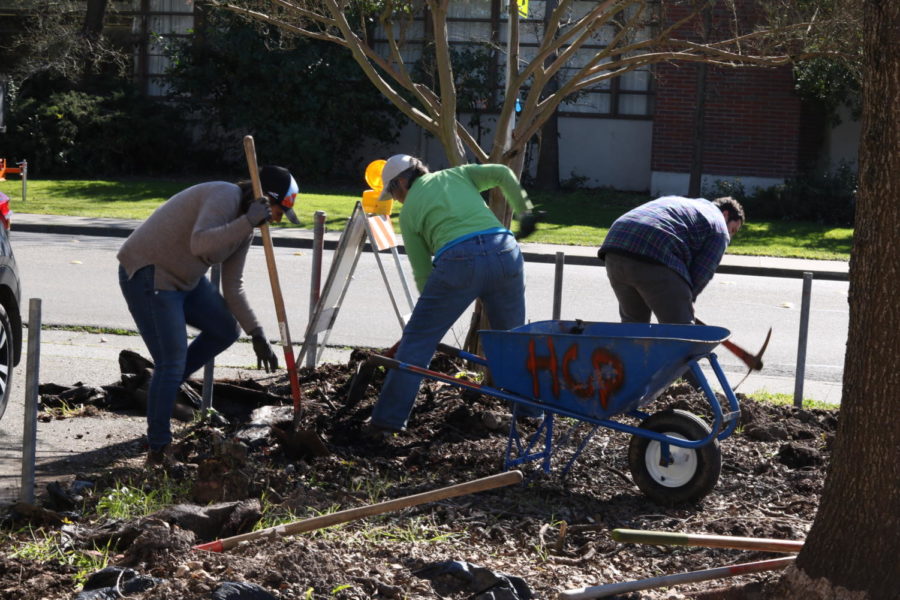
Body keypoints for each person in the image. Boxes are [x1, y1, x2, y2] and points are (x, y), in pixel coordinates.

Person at [117, 165, 301, 466]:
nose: (277, 220)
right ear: (265, 200)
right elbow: (200, 242)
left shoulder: (245, 229)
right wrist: (247, 221)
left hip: (185, 281)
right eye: (278, 211)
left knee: (225, 329)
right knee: (171, 360)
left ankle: (163, 386)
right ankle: (159, 450)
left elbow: (233, 286)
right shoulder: (225, 195)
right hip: (150, 274)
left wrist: (257, 332)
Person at [366, 155, 540, 437]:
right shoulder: (457, 175)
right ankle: (532, 416)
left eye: (393, 192)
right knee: (513, 340)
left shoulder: (409, 212)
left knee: (417, 344)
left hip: (458, 261)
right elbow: (502, 172)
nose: (396, 199)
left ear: (400, 182)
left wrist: (427, 320)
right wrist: (525, 210)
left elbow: (423, 273)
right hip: (504, 250)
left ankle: (386, 423)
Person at [598, 195, 745, 324]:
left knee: (634, 328)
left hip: (615, 247)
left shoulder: (682, 203)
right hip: (653, 253)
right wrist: (684, 310)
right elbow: (701, 274)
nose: (730, 236)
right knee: (680, 334)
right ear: (725, 214)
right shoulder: (719, 225)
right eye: (733, 229)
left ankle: (631, 355)